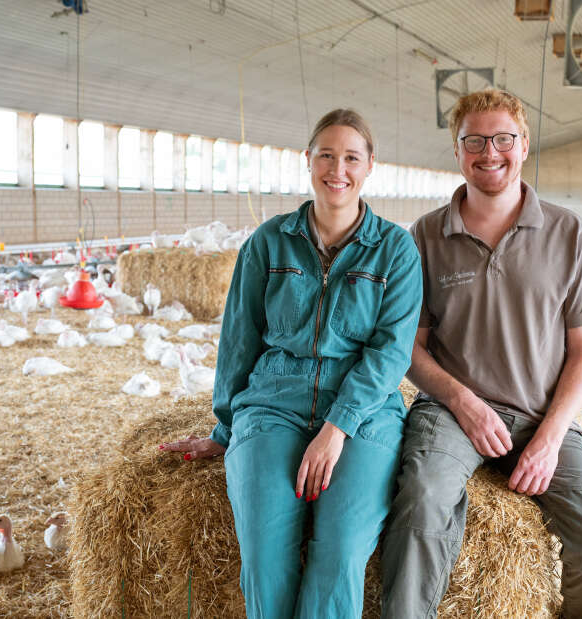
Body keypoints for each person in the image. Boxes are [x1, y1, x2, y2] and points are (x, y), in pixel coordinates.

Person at [380, 90, 582, 619]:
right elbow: (410, 347)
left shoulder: (567, 233)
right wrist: (462, 401)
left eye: (503, 139)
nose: (489, 152)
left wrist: (549, 438)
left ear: (524, 146)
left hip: (542, 413)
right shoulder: (426, 236)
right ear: (457, 150)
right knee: (423, 504)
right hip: (453, 411)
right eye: (474, 140)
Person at [159, 108, 422, 619]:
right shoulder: (268, 242)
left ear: (370, 166)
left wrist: (337, 427)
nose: (337, 169)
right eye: (326, 155)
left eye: (351, 157)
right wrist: (225, 427)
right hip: (273, 403)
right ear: (308, 161)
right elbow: (239, 340)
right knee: (265, 555)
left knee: (340, 553)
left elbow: (391, 351)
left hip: (364, 414)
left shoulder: (395, 250)